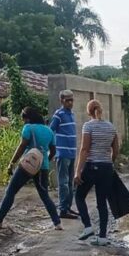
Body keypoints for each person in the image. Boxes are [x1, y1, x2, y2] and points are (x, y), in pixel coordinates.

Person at [0, 107, 63, 230]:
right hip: (42, 167)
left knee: (11, 191)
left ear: (27, 118)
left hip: (26, 165)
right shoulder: (49, 131)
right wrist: (44, 161)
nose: (23, 122)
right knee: (44, 195)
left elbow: (22, 146)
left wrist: (11, 163)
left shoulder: (28, 128)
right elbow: (53, 151)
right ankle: (57, 222)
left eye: (23, 119)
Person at [74, 99, 119, 246]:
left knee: (79, 196)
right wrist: (110, 162)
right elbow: (116, 149)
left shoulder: (88, 126)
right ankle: (103, 236)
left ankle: (87, 227)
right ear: (101, 109)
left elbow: (85, 150)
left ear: (88, 111)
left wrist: (78, 171)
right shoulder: (111, 127)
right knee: (102, 202)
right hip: (106, 168)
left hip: (92, 166)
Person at [50, 90, 79, 219]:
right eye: (68, 100)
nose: (70, 102)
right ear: (62, 100)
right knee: (63, 183)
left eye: (72, 100)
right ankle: (63, 209)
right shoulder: (58, 115)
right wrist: (53, 150)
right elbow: (51, 131)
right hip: (62, 153)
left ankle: (68, 207)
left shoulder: (72, 114)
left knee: (71, 183)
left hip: (72, 152)